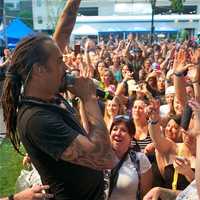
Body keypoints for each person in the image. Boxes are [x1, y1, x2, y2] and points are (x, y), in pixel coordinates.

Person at [1, 0, 117, 199]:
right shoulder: (37, 120)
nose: (66, 68)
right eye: (59, 61)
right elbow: (105, 159)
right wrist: (88, 98)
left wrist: (74, 2)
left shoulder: (46, 94)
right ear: (39, 70)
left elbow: (63, 31)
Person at [143, 99, 200, 200]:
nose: (187, 136)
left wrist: (189, 173)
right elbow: (157, 139)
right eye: (185, 131)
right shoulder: (175, 147)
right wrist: (154, 120)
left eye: (192, 133)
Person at [108, 115, 152, 200]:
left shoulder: (140, 159)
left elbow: (146, 195)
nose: (118, 133)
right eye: (115, 129)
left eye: (123, 130)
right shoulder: (99, 157)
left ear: (131, 137)